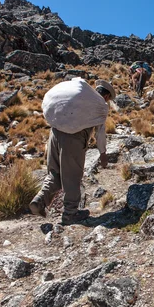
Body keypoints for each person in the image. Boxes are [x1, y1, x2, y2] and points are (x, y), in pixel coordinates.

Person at [29, 78, 116, 225]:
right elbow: (100, 133)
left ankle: (39, 200)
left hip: (54, 134)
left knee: (54, 174)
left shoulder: (81, 96)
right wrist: (102, 153)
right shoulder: (99, 105)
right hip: (73, 140)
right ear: (106, 97)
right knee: (72, 176)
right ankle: (70, 214)